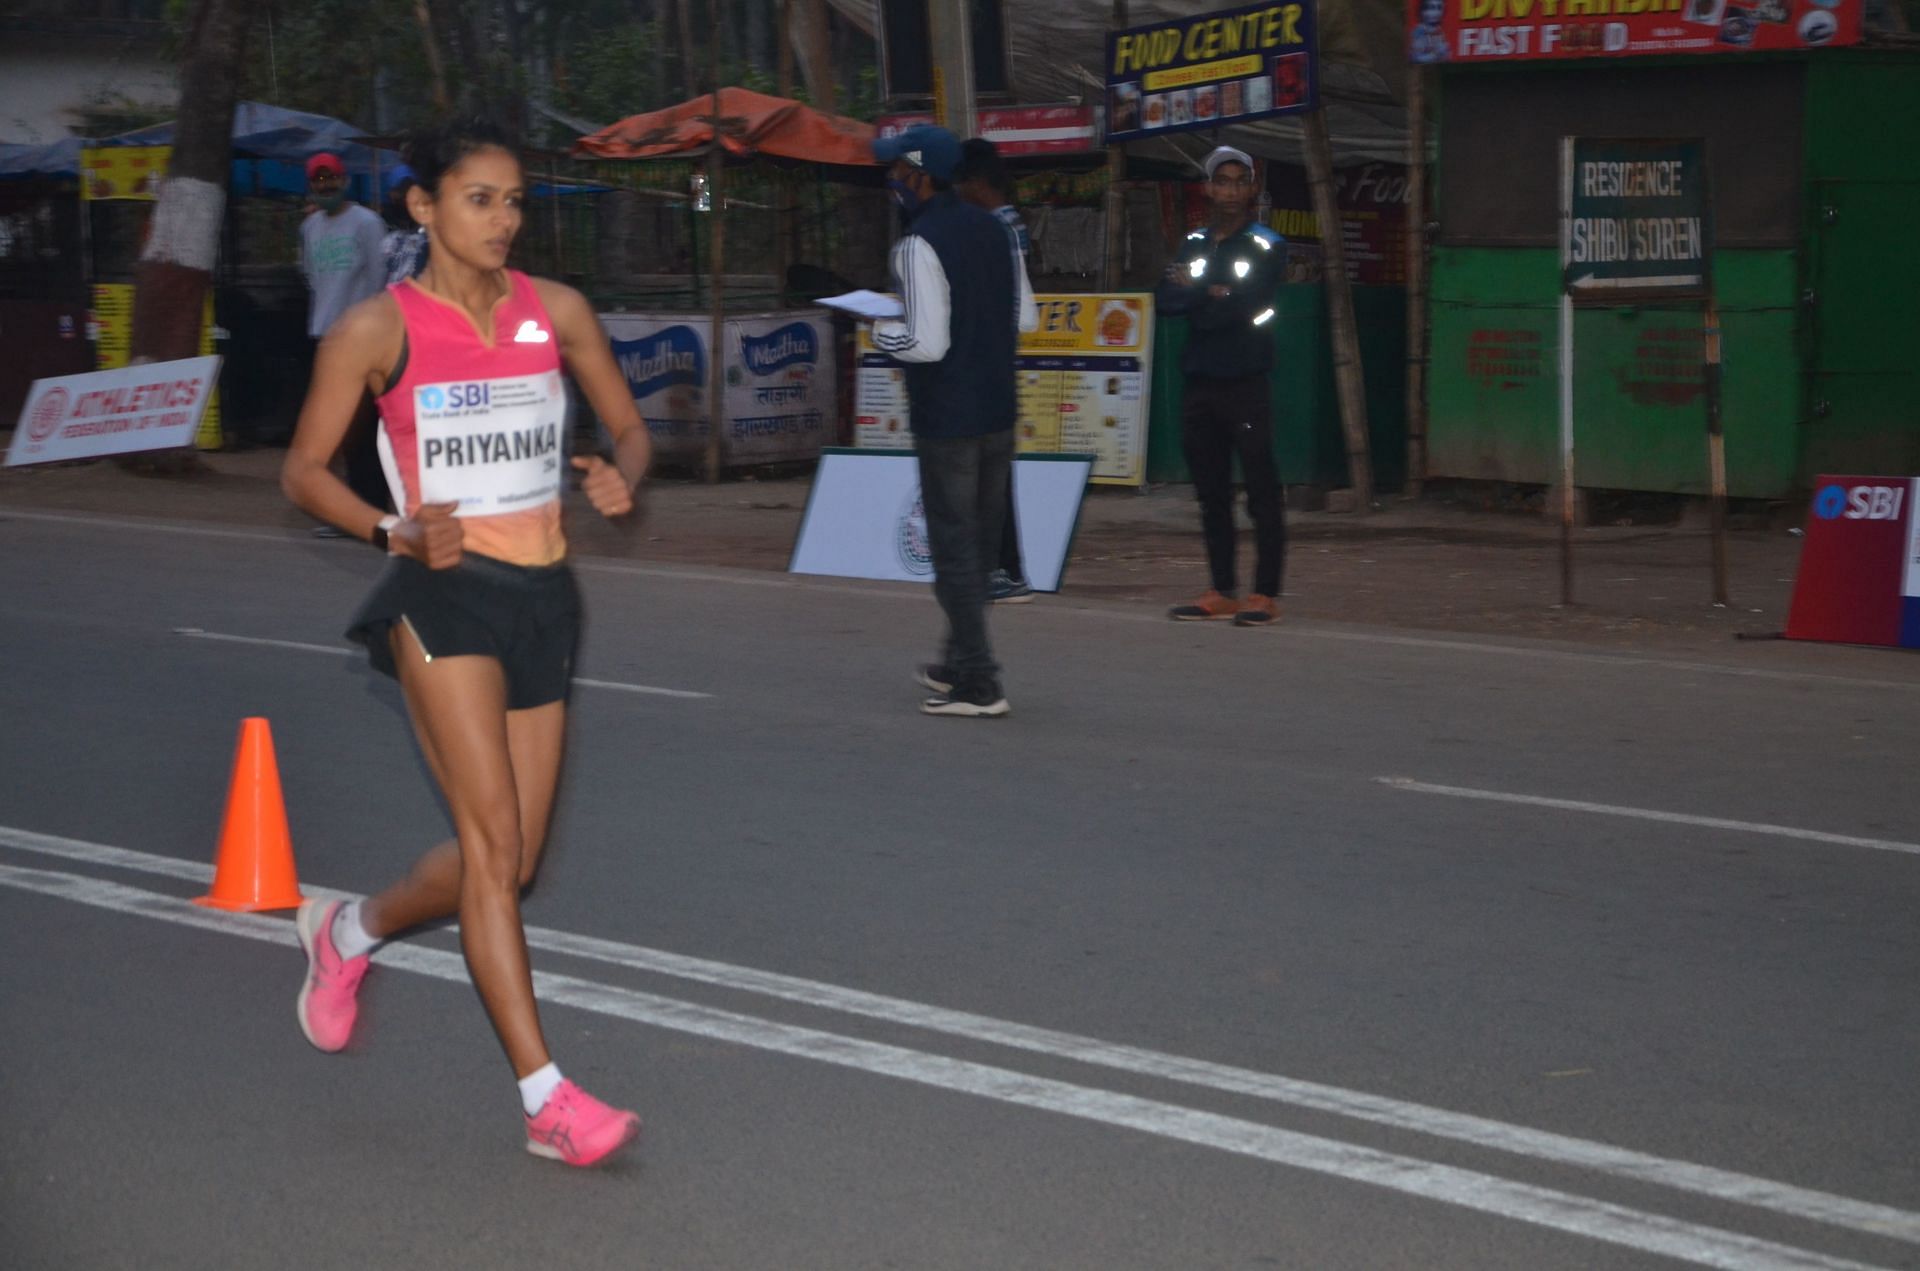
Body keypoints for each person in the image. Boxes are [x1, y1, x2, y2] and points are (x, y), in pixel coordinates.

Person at [281, 118, 653, 1168]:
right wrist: (386, 527)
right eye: (480, 198)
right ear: (424, 206)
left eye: (516, 200)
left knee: (516, 863)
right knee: (492, 844)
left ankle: (348, 930)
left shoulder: (558, 313)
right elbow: (304, 471)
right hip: (440, 598)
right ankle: (547, 1098)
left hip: (544, 597)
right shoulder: (374, 329)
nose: (504, 220)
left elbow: (630, 426)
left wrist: (623, 470)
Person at [871, 124, 1037, 716]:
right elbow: (1026, 319)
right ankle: (959, 661)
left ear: (918, 175)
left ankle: (980, 683)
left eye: (896, 170)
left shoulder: (918, 242)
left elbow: (925, 343)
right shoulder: (997, 229)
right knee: (977, 547)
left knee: (953, 551)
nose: (890, 180)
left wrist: (879, 329)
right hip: (997, 408)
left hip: (948, 416)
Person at [1155, 145, 1287, 627]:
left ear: (1251, 189)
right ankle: (1222, 589)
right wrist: (1205, 294)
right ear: (1208, 188)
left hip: (1246, 379)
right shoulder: (1194, 241)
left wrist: (1201, 296)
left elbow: (1244, 303)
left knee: (1261, 491)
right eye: (1222, 181)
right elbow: (1165, 299)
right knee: (1210, 491)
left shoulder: (1267, 244)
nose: (1230, 190)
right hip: (1200, 380)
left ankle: (1265, 594)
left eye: (1239, 181)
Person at [954, 136, 1035, 606]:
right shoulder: (1009, 226)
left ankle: (997, 569)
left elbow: (1012, 306)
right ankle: (1007, 568)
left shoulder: (995, 230)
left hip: (986, 359)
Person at [300, 152, 392, 529]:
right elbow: (311, 276)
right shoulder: (311, 228)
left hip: (360, 341)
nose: (326, 186)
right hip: (323, 336)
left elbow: (380, 277)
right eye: (319, 181)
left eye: (332, 179)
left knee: (364, 431)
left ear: (345, 181)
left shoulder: (367, 224)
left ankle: (369, 511)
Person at [380, 163, 429, 285]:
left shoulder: (429, 236)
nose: (405, 195)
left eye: (408, 189)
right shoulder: (388, 234)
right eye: (399, 190)